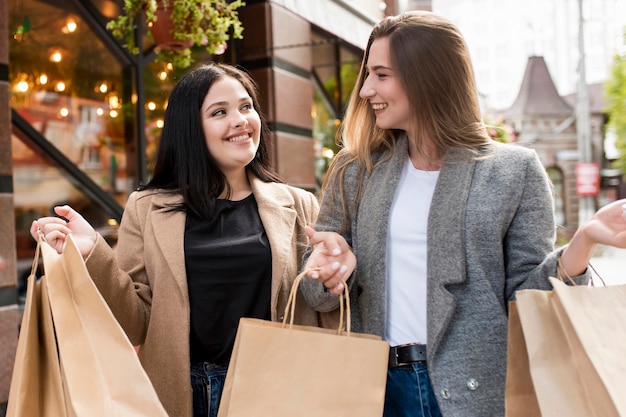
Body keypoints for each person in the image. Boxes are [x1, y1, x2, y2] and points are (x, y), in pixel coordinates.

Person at [299, 11, 626, 417]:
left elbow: (527, 298)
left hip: (477, 392)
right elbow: (314, 293)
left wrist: (583, 241)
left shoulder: (514, 170)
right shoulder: (356, 170)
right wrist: (329, 269)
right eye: (368, 74)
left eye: (381, 75)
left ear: (427, 77)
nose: (365, 89)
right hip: (376, 391)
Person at [31, 63, 332, 417]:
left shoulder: (299, 205)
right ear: (190, 128)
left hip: (273, 391)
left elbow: (320, 305)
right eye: (220, 112)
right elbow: (136, 323)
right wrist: (92, 254)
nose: (240, 120)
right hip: (180, 394)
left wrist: (333, 275)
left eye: (246, 106)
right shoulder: (147, 208)